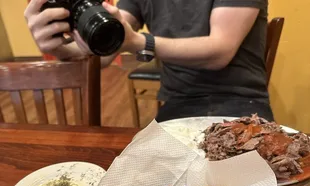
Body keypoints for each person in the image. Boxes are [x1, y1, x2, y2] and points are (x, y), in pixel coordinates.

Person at [24, 0, 274, 122]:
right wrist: (60, 48)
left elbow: (220, 51)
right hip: (179, 102)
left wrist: (139, 42)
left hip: (240, 100)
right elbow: (105, 54)